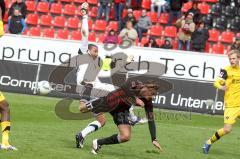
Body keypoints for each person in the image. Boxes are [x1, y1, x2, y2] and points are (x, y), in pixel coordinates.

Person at [78, 79, 164, 154]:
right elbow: (124, 87)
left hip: (121, 111)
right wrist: (135, 99)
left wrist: (154, 139)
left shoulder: (148, 102)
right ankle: (87, 88)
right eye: (152, 94)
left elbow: (151, 119)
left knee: (126, 136)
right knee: (81, 109)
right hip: (109, 101)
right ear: (147, 88)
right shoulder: (136, 84)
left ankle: (98, 143)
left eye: (154, 95)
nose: (151, 97)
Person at [203, 50, 240, 154]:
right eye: (230, 59)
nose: (232, 61)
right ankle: (209, 142)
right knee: (227, 129)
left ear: (238, 58)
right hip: (231, 106)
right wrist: (222, 87)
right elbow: (216, 83)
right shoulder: (226, 70)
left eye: (233, 58)